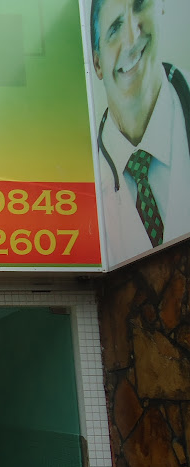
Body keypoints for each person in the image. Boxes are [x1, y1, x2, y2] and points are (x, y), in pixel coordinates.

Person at [91, 0, 190, 267]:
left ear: (160, 9)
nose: (132, 38)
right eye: (114, 28)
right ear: (97, 63)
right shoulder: (85, 175)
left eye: (140, 6)